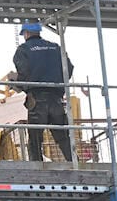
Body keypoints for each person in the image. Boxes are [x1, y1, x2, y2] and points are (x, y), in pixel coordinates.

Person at [7, 22, 74, 161]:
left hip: (37, 100)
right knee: (63, 138)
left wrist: (15, 81)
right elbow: (69, 68)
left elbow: (24, 75)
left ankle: (37, 168)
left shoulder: (23, 49)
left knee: (35, 139)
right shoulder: (55, 47)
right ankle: (75, 164)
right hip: (56, 99)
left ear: (26, 33)